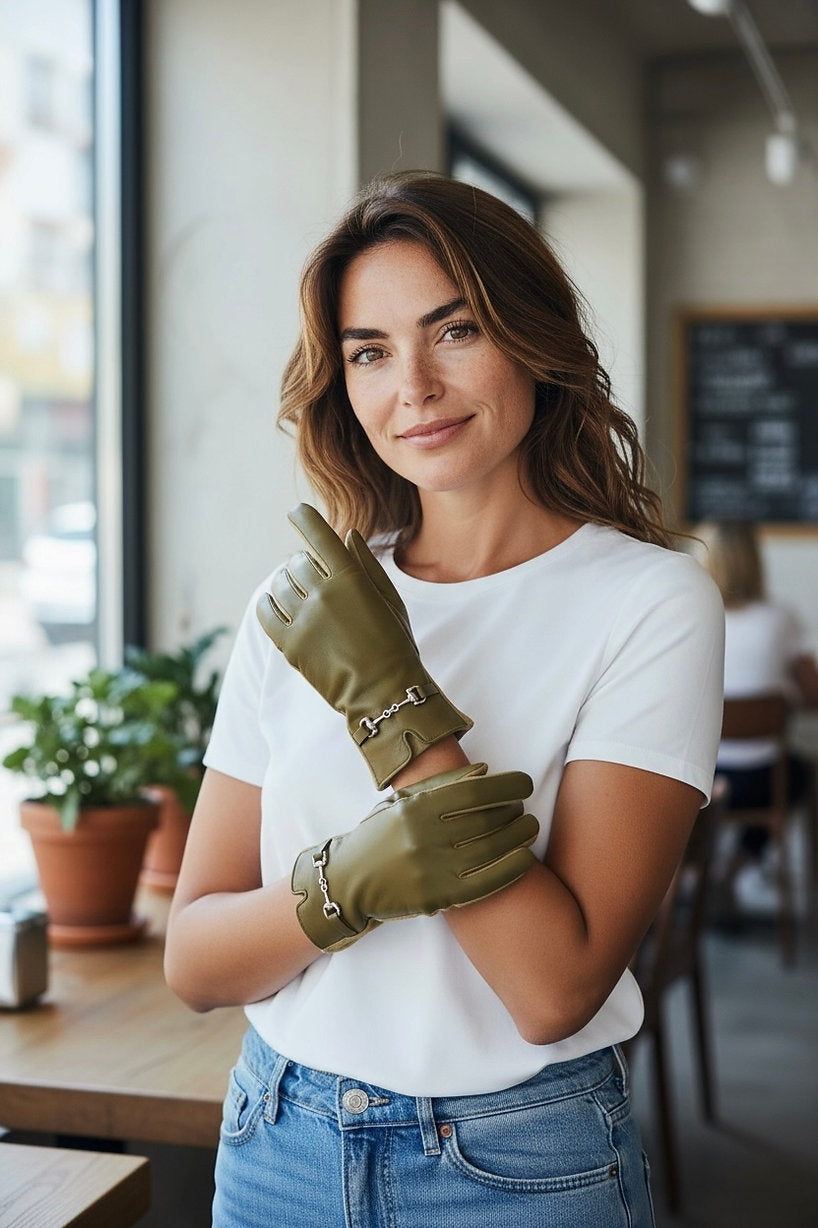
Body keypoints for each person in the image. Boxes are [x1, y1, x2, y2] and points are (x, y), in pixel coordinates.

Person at [164, 171, 724, 1228]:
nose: (410, 385)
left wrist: (389, 698)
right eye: (368, 350)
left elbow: (551, 986)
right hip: (276, 1136)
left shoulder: (649, 602)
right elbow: (194, 960)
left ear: (530, 338)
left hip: (515, 1161)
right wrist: (350, 885)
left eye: (453, 330)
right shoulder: (302, 604)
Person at [692, 520, 818, 915]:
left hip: (702, 782)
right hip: (763, 780)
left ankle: (695, 877)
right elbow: (813, 698)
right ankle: (731, 869)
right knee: (800, 774)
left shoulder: (690, 618)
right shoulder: (781, 618)